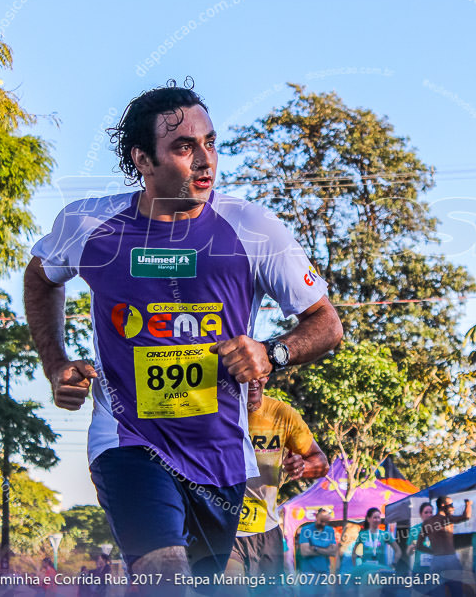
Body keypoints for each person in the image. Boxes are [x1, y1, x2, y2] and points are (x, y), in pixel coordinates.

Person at [24, 83, 343, 587]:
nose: (204, 160)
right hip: (129, 442)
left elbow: (326, 324)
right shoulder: (90, 224)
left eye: (210, 143)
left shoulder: (253, 228)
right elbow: (41, 277)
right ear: (143, 160)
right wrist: (55, 362)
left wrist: (272, 352)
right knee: (164, 576)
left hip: (222, 455)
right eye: (183, 147)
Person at [227, 375, 328, 577]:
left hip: (267, 530)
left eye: (259, 374)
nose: (253, 380)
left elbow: (321, 464)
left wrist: (302, 467)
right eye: (245, 375)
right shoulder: (219, 412)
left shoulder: (282, 415)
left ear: (266, 375)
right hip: (227, 531)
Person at [415, 496, 472, 596]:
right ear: (442, 505)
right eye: (451, 505)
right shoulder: (448, 519)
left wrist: (433, 552)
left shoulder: (427, 523)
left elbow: (419, 546)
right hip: (450, 559)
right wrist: (468, 504)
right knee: (457, 592)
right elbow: (466, 516)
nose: (453, 507)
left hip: (436, 560)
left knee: (437, 593)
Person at [351, 508, 401, 574]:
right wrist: (355, 567)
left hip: (380, 569)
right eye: (374, 517)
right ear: (368, 519)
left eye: (378, 517)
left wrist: (394, 564)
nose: (377, 520)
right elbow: (354, 552)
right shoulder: (362, 534)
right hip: (365, 570)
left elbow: (398, 551)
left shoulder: (385, 534)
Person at [298, 508, 338, 576]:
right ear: (316, 517)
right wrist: (326, 551)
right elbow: (305, 552)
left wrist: (315, 549)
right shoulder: (306, 529)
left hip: (324, 571)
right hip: (308, 572)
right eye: (321, 520)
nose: (323, 523)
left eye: (325, 521)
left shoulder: (330, 530)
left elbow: (333, 552)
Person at [405, 503, 434, 574]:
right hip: (418, 571)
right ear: (421, 514)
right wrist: (411, 548)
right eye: (426, 512)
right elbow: (408, 553)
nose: (429, 515)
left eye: (431, 512)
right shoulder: (414, 530)